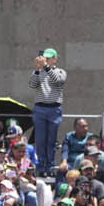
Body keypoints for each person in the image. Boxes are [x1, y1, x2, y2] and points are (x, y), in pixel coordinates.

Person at [27, 48, 66, 178]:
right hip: (40, 108)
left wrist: (46, 67)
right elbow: (32, 84)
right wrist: (38, 69)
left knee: (51, 140)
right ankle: (41, 166)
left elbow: (57, 81)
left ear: (55, 59)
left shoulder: (60, 72)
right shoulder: (38, 72)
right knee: (40, 139)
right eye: (45, 58)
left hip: (54, 108)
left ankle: (50, 166)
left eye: (49, 58)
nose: (46, 60)